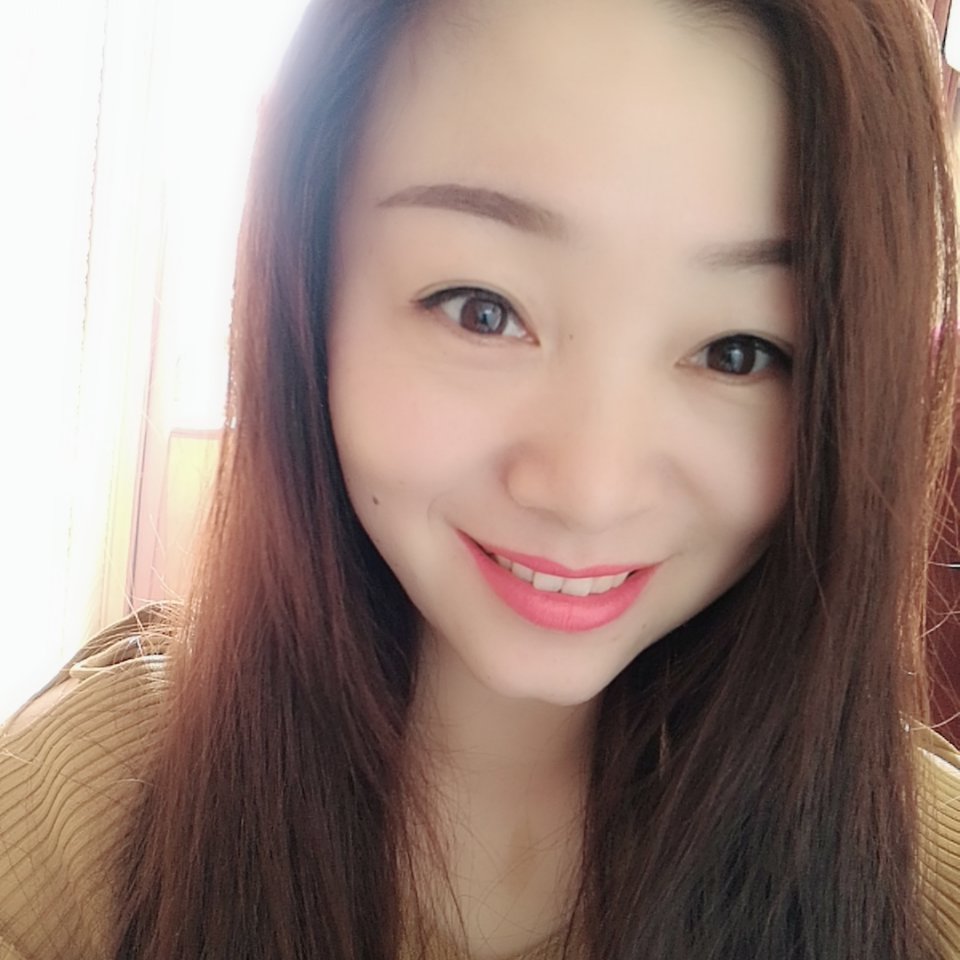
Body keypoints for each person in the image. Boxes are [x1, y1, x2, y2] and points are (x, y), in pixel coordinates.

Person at [2, 0, 960, 957]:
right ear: (310, 281)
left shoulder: (924, 882)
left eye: (738, 351)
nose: (589, 489)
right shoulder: (80, 824)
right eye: (481, 309)